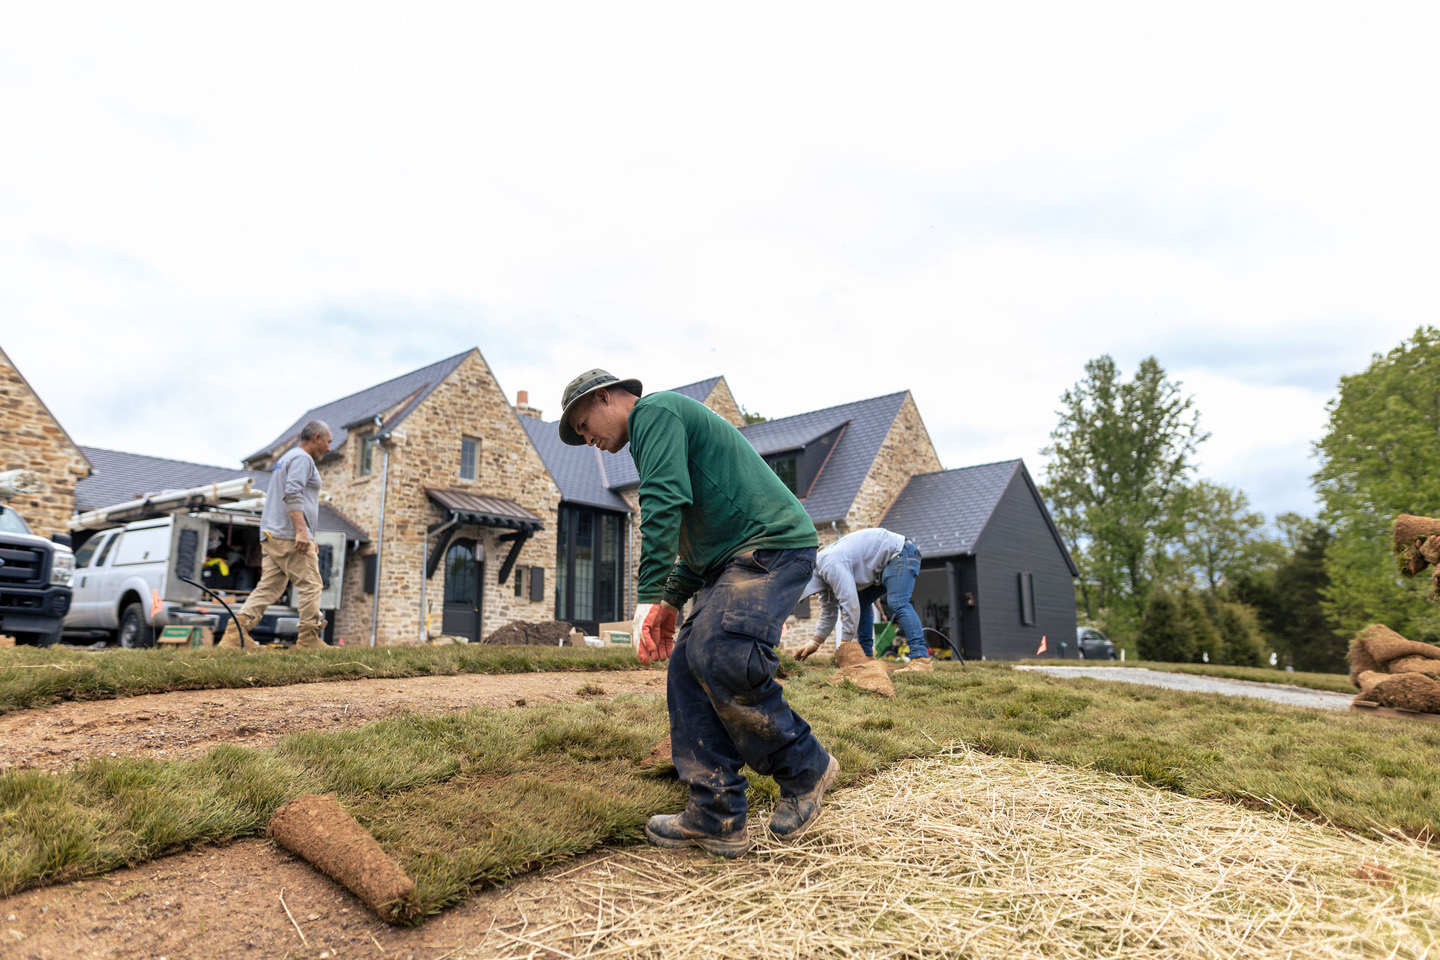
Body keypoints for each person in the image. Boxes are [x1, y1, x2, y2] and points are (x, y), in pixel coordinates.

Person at [560, 368, 838, 858]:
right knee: (687, 665)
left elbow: (663, 503)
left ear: (605, 398)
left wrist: (646, 598)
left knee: (723, 650)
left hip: (773, 546)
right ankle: (716, 814)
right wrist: (669, 603)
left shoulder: (654, 413)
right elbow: (696, 544)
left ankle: (806, 767)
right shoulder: (659, 435)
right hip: (732, 560)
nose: (589, 441)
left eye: (585, 426)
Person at [217, 419, 332, 650]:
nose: (329, 448)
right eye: (328, 442)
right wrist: (301, 531)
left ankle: (234, 634)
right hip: (289, 535)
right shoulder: (302, 458)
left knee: (270, 587)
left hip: (272, 533)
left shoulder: (286, 459)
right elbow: (293, 493)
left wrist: (309, 534)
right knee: (311, 584)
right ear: (316, 437)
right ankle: (308, 639)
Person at [794, 527, 931, 672]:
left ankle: (921, 659)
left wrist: (845, 647)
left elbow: (850, 604)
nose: (813, 595)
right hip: (886, 563)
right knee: (862, 601)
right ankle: (865, 657)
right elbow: (829, 612)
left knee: (897, 601)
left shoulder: (829, 565)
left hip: (900, 553)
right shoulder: (822, 575)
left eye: (810, 593)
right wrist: (816, 642)